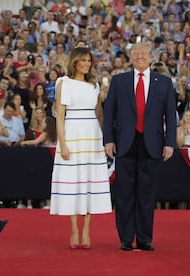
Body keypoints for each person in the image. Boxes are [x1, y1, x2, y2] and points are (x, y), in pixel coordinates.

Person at [103, 42, 177, 251]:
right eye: (136, 54)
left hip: (152, 145)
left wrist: (169, 143)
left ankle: (145, 238)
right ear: (130, 57)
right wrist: (108, 140)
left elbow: (170, 116)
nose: (140, 56)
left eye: (143, 53)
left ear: (151, 57)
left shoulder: (164, 82)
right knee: (124, 194)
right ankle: (126, 238)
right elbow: (109, 112)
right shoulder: (119, 81)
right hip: (124, 144)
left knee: (146, 195)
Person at [50, 46, 112, 250]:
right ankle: (74, 229)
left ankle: (86, 229)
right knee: (72, 183)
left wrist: (105, 139)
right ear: (74, 61)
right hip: (72, 134)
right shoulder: (63, 83)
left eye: (89, 60)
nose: (86, 64)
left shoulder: (94, 85)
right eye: (83, 60)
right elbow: (60, 116)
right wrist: (63, 143)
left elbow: (100, 115)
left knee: (89, 183)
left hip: (92, 136)